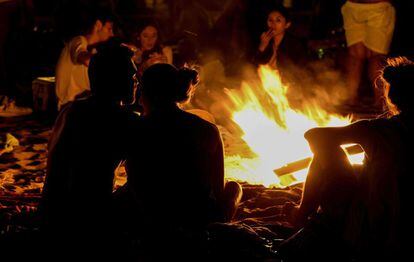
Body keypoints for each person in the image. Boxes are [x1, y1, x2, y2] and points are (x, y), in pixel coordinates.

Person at [279, 57, 413, 260]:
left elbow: (314, 136)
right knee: (363, 169)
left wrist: (355, 150)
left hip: (374, 233)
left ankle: (302, 212)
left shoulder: (377, 130)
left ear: (390, 97)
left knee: (327, 150)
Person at [125, 63, 242, 259]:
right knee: (234, 188)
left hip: (150, 218)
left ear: (145, 93)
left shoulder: (135, 129)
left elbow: (136, 182)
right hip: (197, 219)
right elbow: (218, 190)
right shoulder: (208, 129)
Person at [40, 39, 138, 256]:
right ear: (115, 79)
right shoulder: (126, 120)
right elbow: (140, 183)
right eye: (131, 76)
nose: (136, 81)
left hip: (50, 216)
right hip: (88, 222)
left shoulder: (71, 110)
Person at [55, 7, 115, 110]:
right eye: (109, 29)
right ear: (98, 25)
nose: (112, 34)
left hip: (80, 107)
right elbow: (85, 58)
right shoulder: (78, 41)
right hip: (70, 109)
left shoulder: (93, 50)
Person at [341, 0, 396, 108]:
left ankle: (350, 101)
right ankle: (381, 103)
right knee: (376, 56)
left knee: (355, 56)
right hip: (377, 6)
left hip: (353, 6)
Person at [253, 5, 308, 83]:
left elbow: (301, 72)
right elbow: (254, 68)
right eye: (270, 20)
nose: (273, 24)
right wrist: (262, 47)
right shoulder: (265, 40)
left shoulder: (295, 45)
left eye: (278, 20)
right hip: (264, 85)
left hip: (285, 87)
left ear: (287, 25)